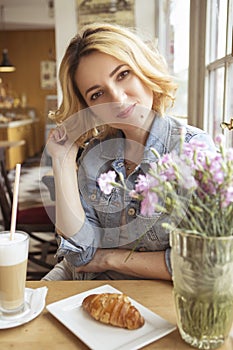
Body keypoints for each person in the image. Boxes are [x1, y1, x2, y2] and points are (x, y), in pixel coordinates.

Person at [42, 22, 215, 281]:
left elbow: (201, 264)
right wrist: (62, 159)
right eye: (97, 94)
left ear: (143, 69)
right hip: (85, 284)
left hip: (157, 292)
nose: (117, 99)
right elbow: (79, 256)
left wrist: (109, 258)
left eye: (123, 74)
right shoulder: (94, 157)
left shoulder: (193, 148)